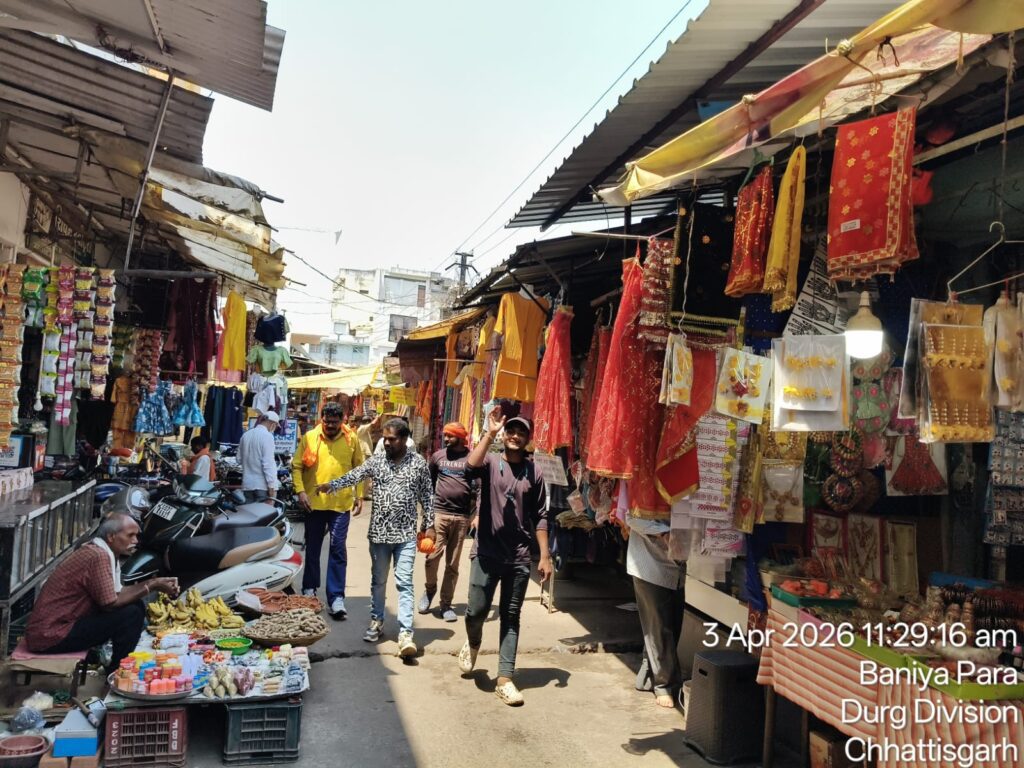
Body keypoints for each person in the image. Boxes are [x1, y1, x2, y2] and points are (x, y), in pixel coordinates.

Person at [317, 418, 433, 658]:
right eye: (385, 439)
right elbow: (356, 475)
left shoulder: (419, 463)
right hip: (379, 535)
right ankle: (377, 621)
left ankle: (405, 633)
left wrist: (429, 525)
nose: (387, 443)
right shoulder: (378, 461)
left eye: (392, 439)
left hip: (406, 535)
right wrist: (332, 485)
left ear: (404, 439)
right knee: (378, 582)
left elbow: (427, 496)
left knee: (404, 583)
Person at [460, 411, 552, 706]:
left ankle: (504, 679)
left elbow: (540, 515)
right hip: (486, 552)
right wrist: (489, 433)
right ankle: (474, 641)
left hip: (519, 556)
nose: (515, 436)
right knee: (476, 612)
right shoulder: (490, 462)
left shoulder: (534, 472)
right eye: (511, 431)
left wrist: (545, 555)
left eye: (521, 432)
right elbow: (469, 468)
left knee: (511, 616)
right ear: (504, 434)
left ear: (527, 439)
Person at [25, 514, 179, 673]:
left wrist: (153, 584)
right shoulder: (98, 555)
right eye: (130, 536)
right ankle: (117, 671)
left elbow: (117, 593)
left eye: (136, 536)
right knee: (131, 614)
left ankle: (119, 667)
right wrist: (152, 585)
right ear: (111, 537)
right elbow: (110, 603)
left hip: (60, 626)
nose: (135, 541)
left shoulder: (102, 551)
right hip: (50, 635)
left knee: (136, 605)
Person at [291, 402, 364, 618]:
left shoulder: (351, 439)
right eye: (327, 421)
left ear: (342, 420)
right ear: (321, 419)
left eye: (334, 422)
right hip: (313, 503)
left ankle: (336, 597)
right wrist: (300, 491)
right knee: (313, 548)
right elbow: (297, 466)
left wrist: (359, 494)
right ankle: (309, 589)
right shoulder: (310, 437)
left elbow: (359, 468)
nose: (330, 425)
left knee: (338, 548)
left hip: (341, 504)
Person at [419, 422, 477, 622]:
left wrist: (476, 514)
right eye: (445, 435)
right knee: (431, 558)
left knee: (452, 564)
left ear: (461, 437)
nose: (446, 439)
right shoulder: (438, 457)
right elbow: (427, 487)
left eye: (450, 436)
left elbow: (479, 488)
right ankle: (429, 590)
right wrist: (427, 519)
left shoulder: (472, 458)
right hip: (439, 514)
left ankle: (446, 604)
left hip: (461, 518)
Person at [627, 517, 685, 708]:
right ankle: (664, 685)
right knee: (659, 628)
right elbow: (630, 517)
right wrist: (663, 532)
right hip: (649, 564)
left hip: (676, 566)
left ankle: (648, 676)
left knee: (672, 624)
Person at [238, 411, 280, 502]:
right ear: (273, 424)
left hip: (247, 485)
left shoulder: (245, 435)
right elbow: (268, 464)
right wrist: (272, 486)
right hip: (262, 486)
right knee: (263, 510)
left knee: (249, 510)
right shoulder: (267, 436)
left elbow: (238, 459)